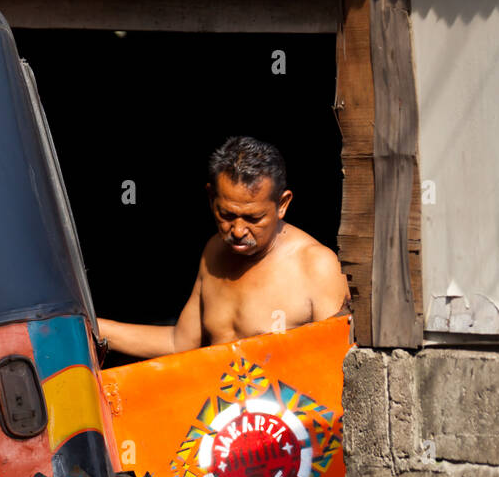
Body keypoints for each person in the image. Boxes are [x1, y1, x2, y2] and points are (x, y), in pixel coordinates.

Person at [98, 136, 351, 357]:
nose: (238, 231)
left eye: (254, 218)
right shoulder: (214, 252)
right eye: (227, 215)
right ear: (211, 198)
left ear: (282, 204)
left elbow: (335, 363)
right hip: (218, 408)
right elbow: (180, 343)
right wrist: (95, 329)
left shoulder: (317, 266)